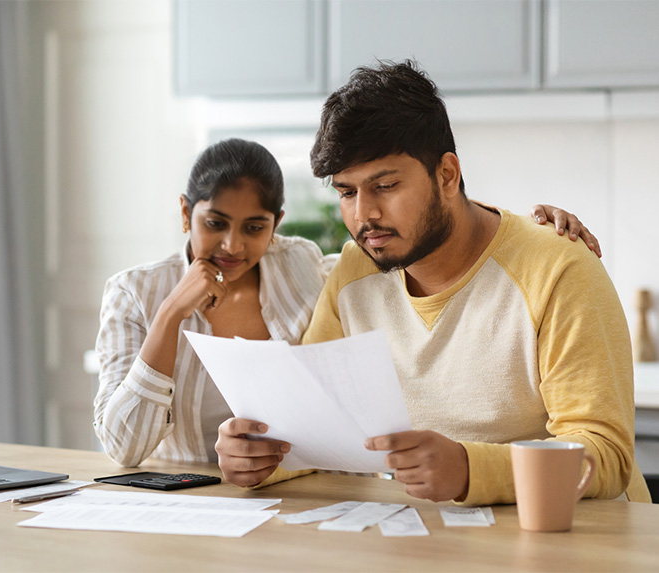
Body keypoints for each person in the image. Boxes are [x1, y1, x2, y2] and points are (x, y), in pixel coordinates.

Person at [215, 61, 651, 505]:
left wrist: (469, 469)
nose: (363, 215)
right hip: (438, 538)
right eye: (347, 193)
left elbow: (606, 455)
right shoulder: (354, 272)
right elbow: (319, 426)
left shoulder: (558, 269)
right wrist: (260, 458)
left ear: (447, 174)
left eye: (384, 185)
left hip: (580, 540)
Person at [94, 137, 599, 469]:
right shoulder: (135, 294)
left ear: (277, 225)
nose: (232, 246)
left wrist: (532, 230)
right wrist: (169, 316)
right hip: (180, 501)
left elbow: (403, 241)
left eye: (254, 228)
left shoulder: (303, 266)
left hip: (288, 501)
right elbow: (122, 448)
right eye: (214, 223)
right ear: (186, 213)